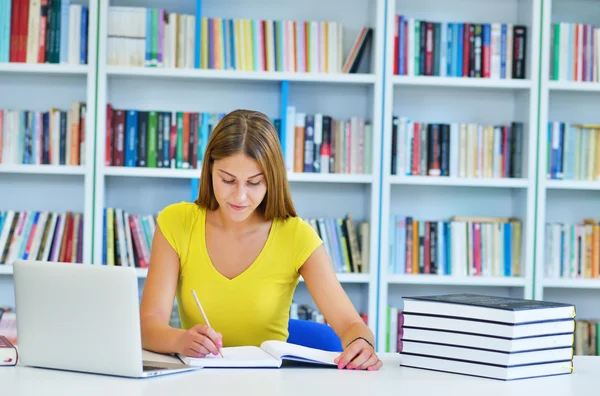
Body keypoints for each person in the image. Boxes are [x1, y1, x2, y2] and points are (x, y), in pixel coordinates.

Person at [140, 109, 382, 371]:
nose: (239, 196)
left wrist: (361, 344)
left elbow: (351, 325)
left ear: (272, 180)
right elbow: (148, 325)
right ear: (210, 170)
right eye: (228, 180)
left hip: (270, 384)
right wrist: (180, 340)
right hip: (200, 381)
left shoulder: (295, 236)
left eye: (254, 183)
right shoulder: (177, 223)